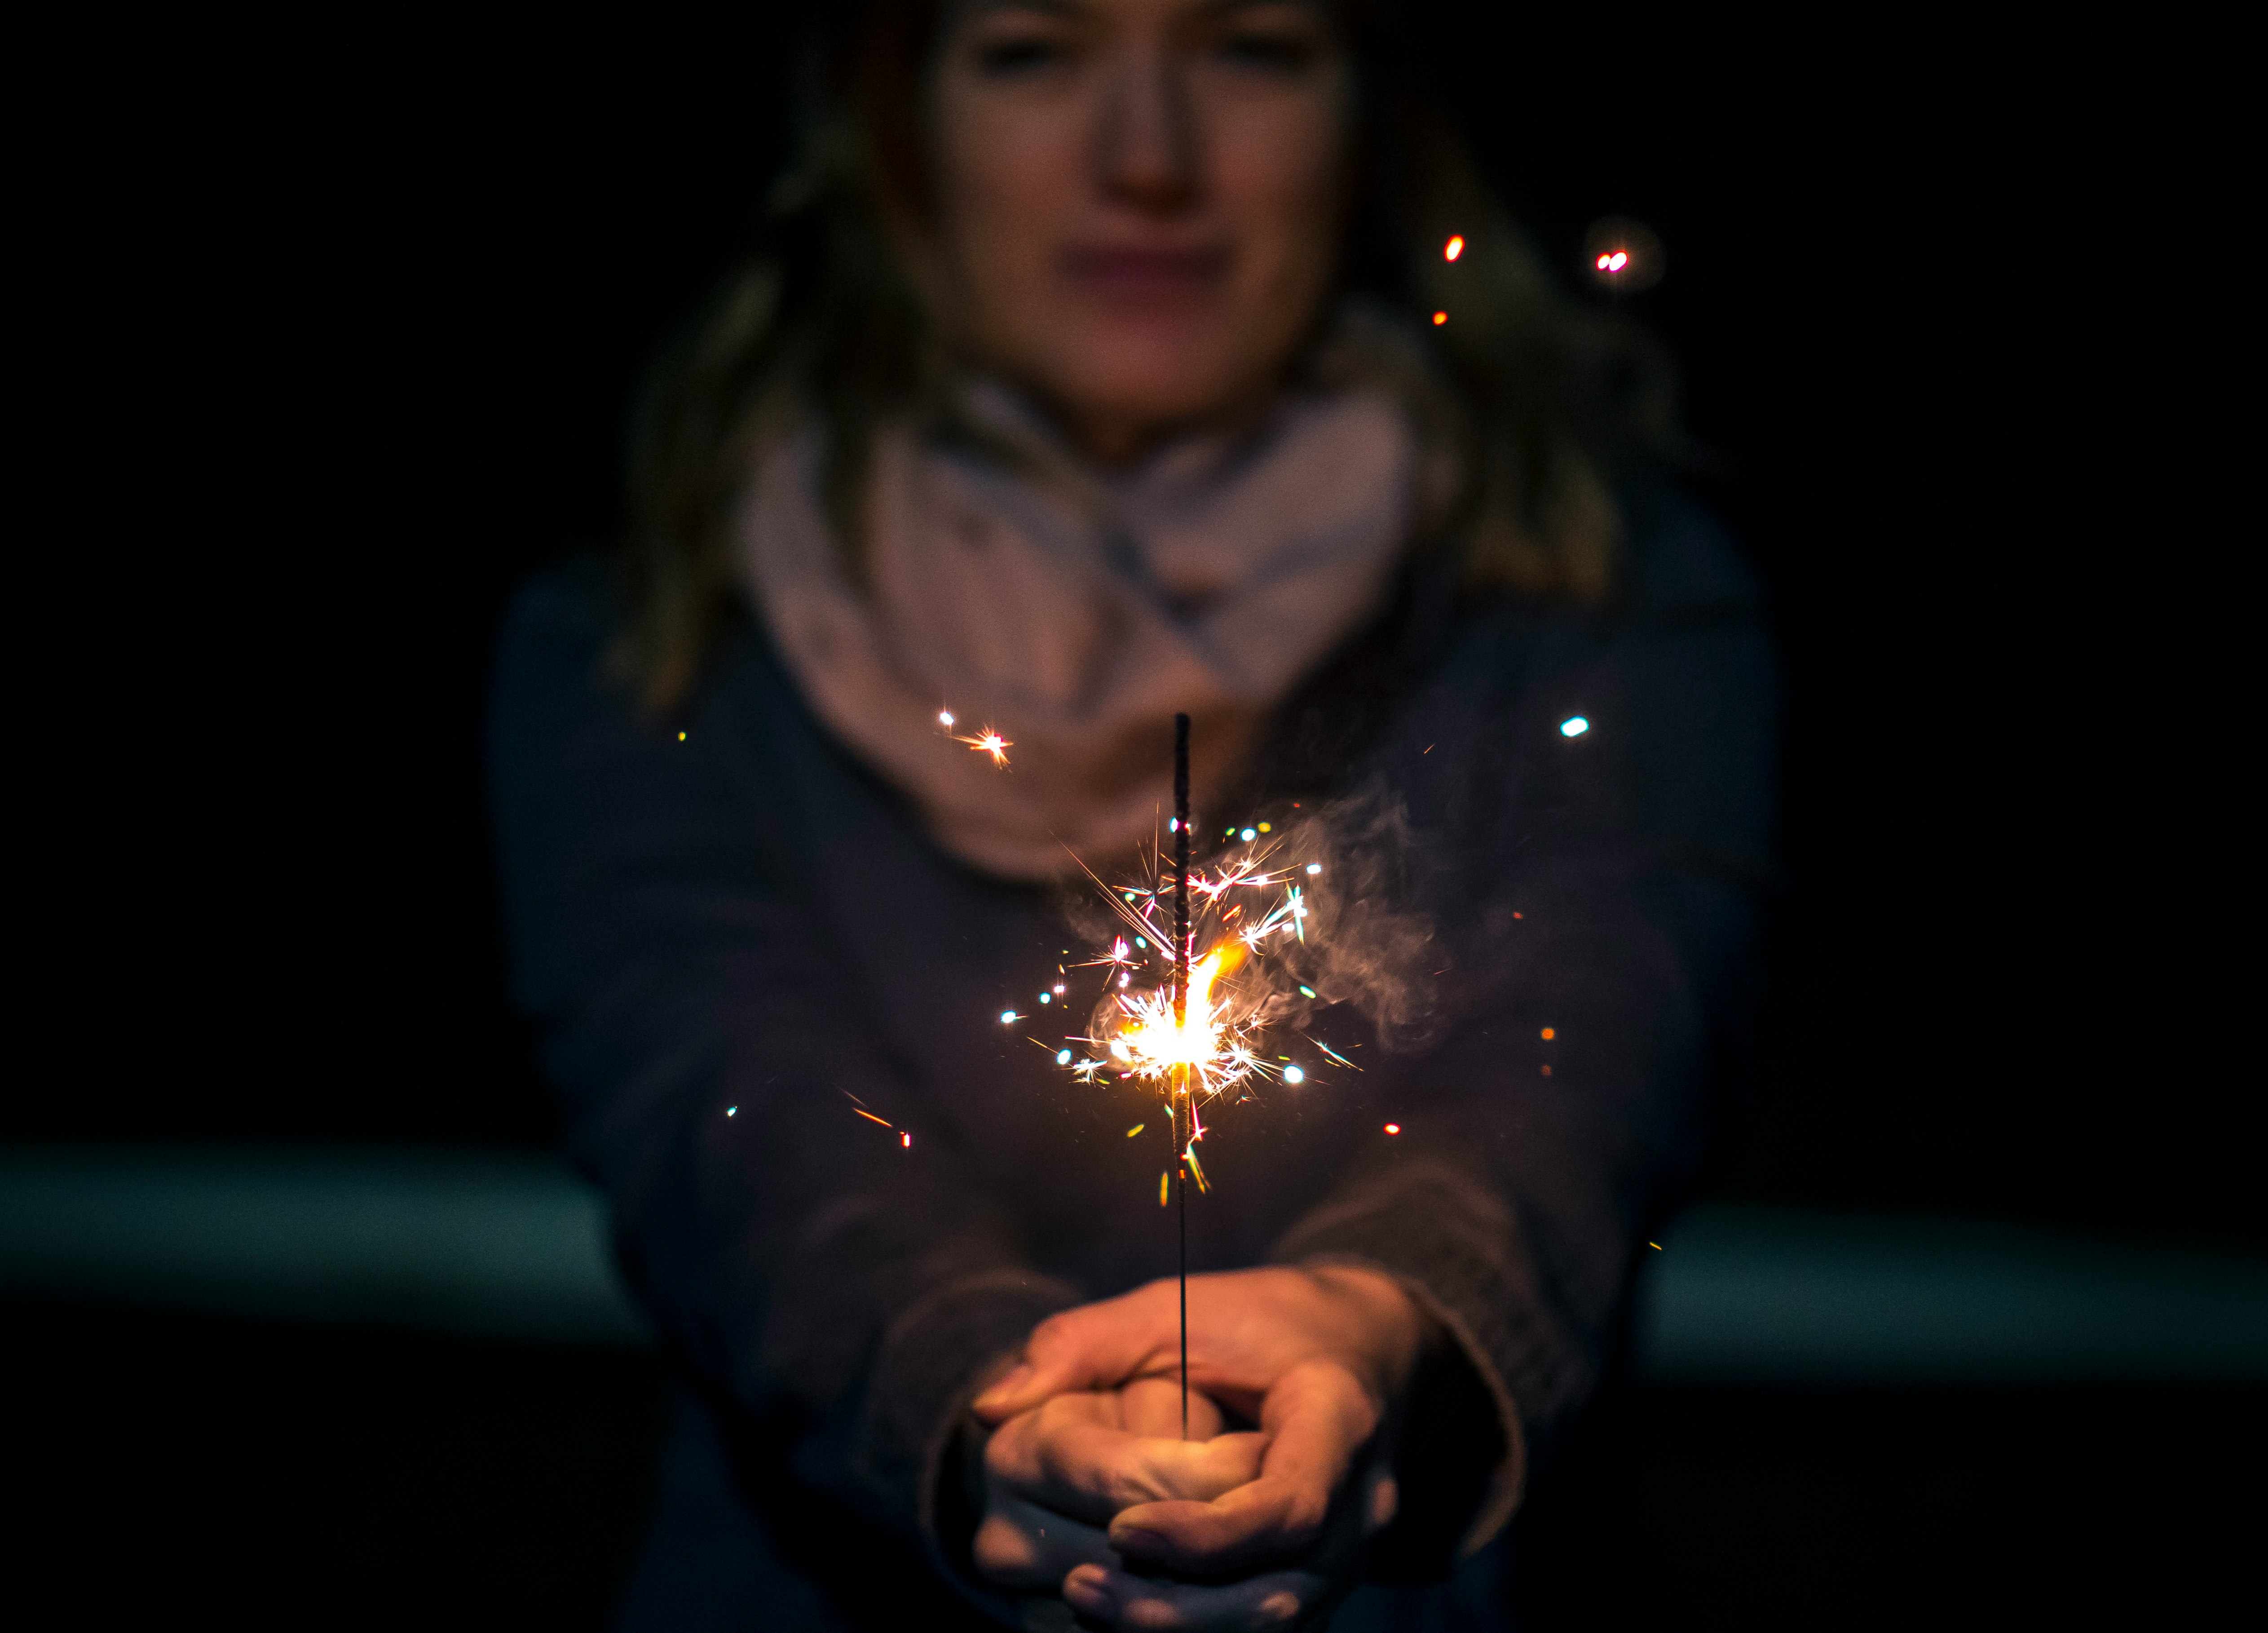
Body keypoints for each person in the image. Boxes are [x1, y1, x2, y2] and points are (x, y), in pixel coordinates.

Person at [489, 1, 1773, 1626]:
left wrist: (1378, 1312)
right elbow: (724, 1104)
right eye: (1032, 49)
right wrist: (980, 1399)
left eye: (1250, 46)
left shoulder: (1593, 579)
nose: (1146, 159)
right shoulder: (653, 631)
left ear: (1370, 111)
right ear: (895, 121)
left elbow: (1598, 1027)